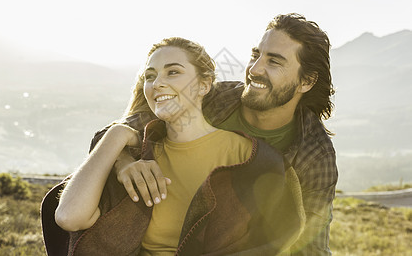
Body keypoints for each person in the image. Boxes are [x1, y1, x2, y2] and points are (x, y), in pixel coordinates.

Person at [41, 37, 305, 255]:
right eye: (150, 76)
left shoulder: (245, 154)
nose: (158, 84)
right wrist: (117, 135)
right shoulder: (139, 156)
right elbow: (69, 217)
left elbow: (272, 237)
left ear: (204, 84)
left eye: (173, 72)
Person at [108, 13, 338, 255]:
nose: (255, 69)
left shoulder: (314, 155)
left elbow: (310, 245)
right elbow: (115, 132)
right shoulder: (212, 99)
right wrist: (123, 163)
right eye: (255, 55)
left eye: (274, 62)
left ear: (307, 81)